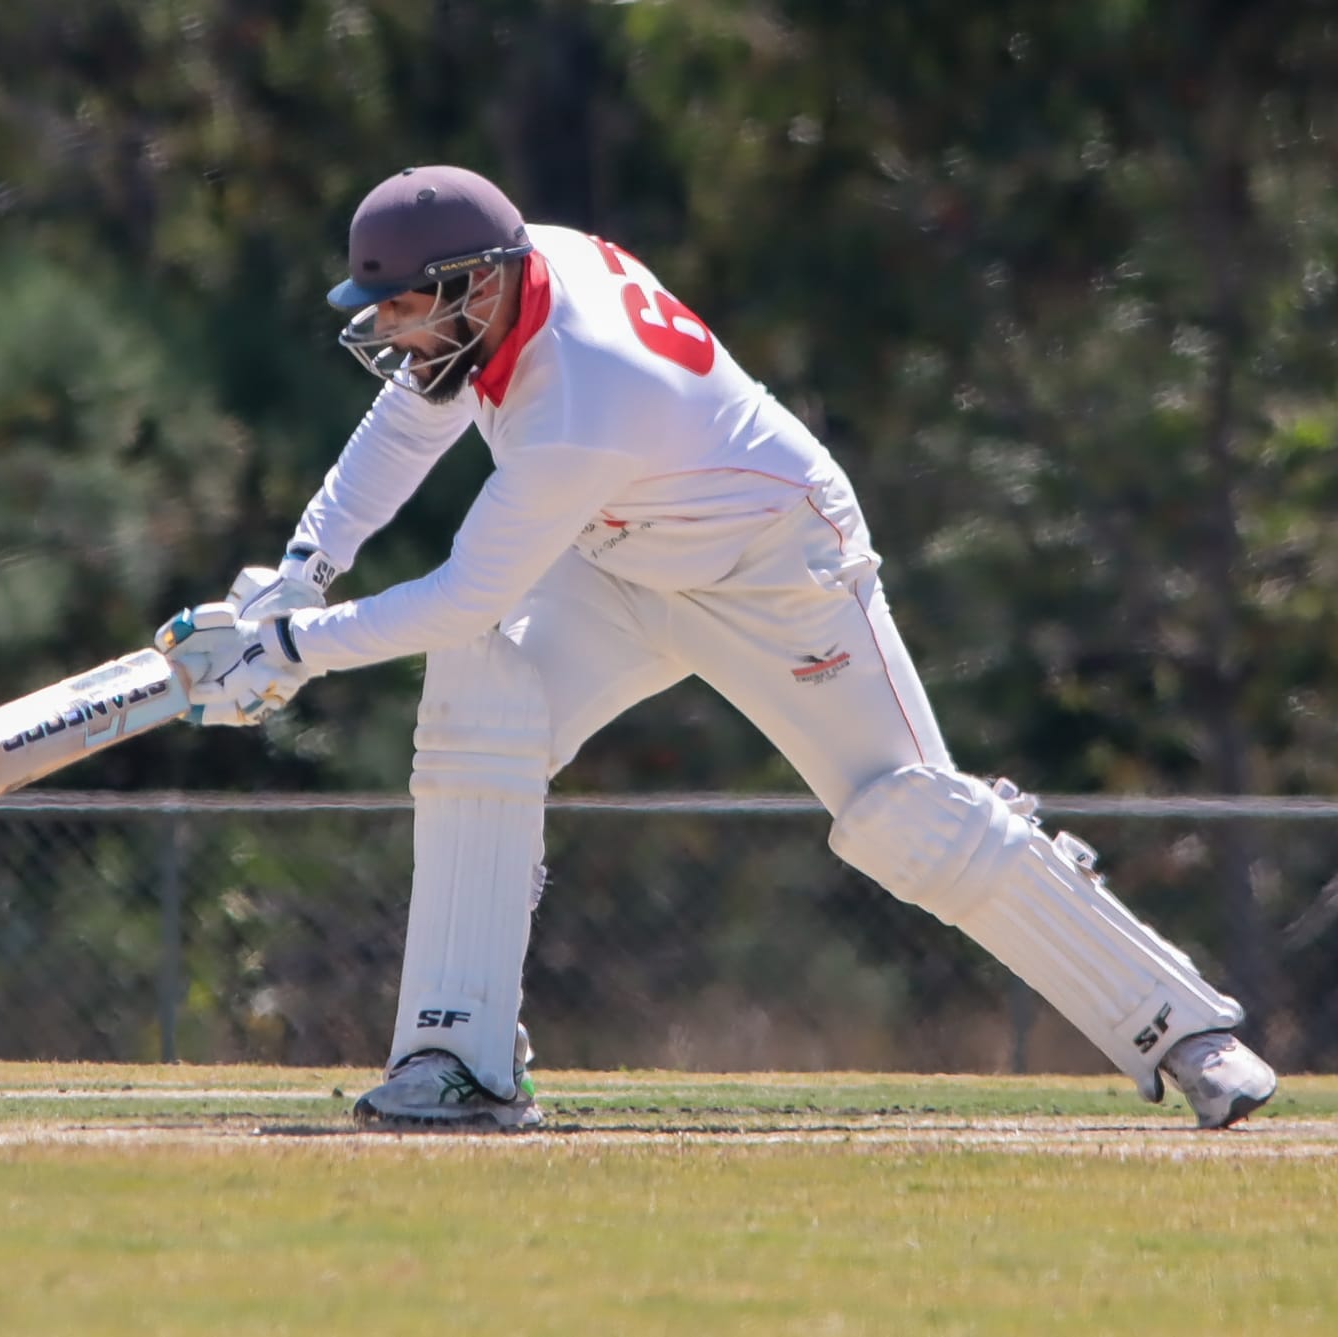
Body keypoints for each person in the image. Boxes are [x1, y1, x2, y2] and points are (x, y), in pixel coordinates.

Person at [155, 164, 1278, 1131]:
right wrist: (300, 573)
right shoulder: (512, 275)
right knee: (479, 711)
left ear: (477, 283)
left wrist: (292, 646)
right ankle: (457, 1060)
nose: (394, 333)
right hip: (617, 556)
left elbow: (462, 593)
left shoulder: (581, 390)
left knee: (902, 812)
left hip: (774, 572)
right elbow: (407, 422)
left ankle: (1184, 1029)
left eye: (407, 309)